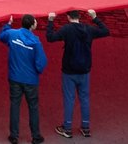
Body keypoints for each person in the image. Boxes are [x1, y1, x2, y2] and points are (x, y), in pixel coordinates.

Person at [46, 10, 108, 139]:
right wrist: (95, 18)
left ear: (68, 17)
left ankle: (67, 128)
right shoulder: (89, 29)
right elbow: (105, 31)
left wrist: (51, 21)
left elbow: (50, 38)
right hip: (85, 70)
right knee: (84, 99)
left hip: (69, 70)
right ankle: (85, 127)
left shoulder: (67, 30)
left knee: (69, 99)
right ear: (79, 17)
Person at [0, 15, 47, 144]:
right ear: (32, 25)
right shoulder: (36, 42)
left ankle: (14, 136)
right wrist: (37, 72)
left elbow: (1, 36)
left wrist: (8, 24)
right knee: (33, 107)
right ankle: (36, 136)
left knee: (15, 106)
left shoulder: (12, 34)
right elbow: (41, 62)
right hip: (30, 80)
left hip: (14, 77)